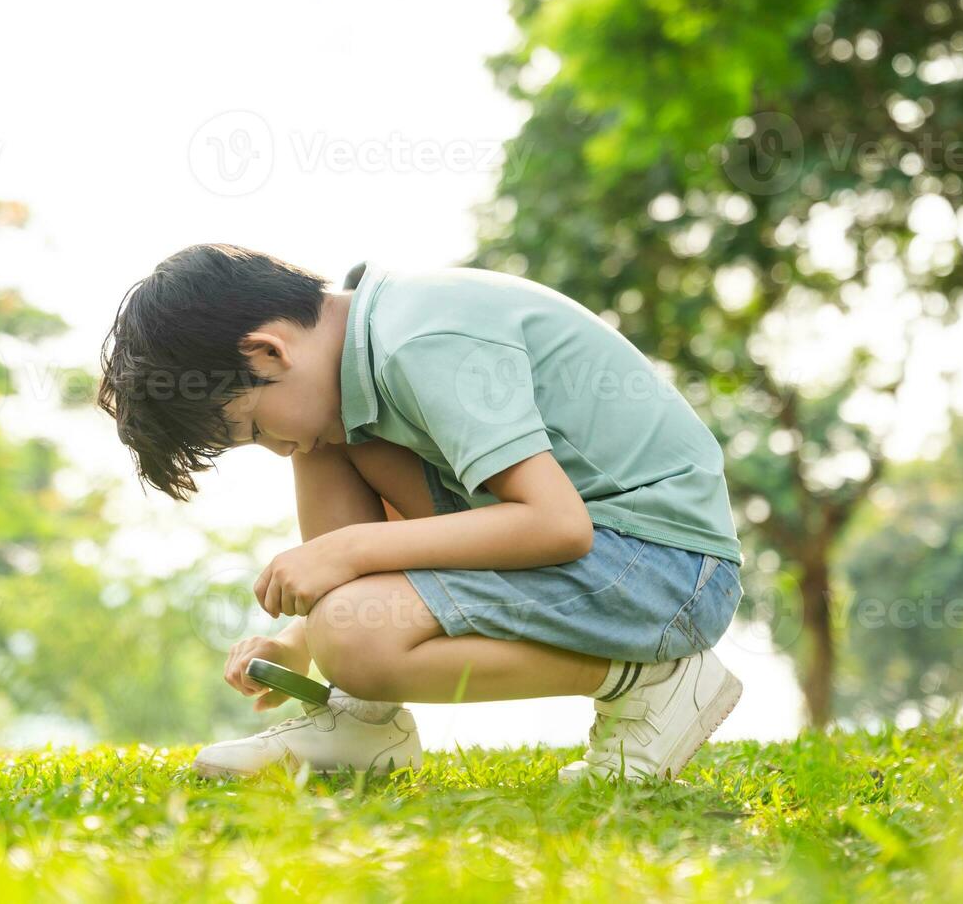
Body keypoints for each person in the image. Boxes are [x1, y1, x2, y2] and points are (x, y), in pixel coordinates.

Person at [97, 244, 745, 782]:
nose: (277, 448)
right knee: (324, 441)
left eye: (256, 427)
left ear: (268, 351)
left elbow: (556, 525)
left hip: (667, 570)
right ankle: (360, 719)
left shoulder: (422, 341)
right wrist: (301, 640)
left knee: (353, 618)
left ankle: (653, 680)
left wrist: (342, 559)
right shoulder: (369, 350)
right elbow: (451, 534)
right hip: (611, 554)